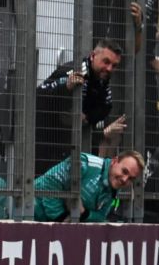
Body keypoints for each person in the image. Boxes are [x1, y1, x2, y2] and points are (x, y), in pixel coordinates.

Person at [35, 40, 123, 171]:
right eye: (106, 62)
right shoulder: (74, 71)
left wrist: (86, 118)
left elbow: (106, 106)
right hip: (46, 142)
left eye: (114, 65)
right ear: (93, 56)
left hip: (73, 146)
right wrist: (65, 87)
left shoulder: (102, 80)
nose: (109, 68)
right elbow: (38, 96)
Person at [34, 149, 145, 222]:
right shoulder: (85, 163)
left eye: (131, 178)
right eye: (124, 171)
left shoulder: (114, 188)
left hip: (49, 227)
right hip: (29, 210)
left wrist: (84, 213)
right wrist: (60, 217)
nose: (125, 179)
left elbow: (101, 217)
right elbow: (50, 181)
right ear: (114, 161)